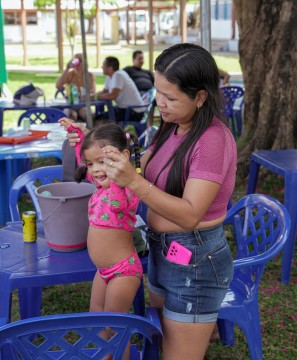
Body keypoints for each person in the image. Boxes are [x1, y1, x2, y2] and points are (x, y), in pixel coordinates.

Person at [65, 43, 237, 359]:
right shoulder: (172, 127)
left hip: (194, 258)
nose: (160, 103)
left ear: (200, 97)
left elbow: (189, 216)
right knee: (161, 343)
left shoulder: (213, 140)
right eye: (158, 92)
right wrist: (94, 151)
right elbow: (144, 168)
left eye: (171, 97)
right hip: (163, 251)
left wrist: (134, 180)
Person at [59, 120, 143, 358]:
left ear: (122, 159)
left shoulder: (126, 189)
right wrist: (77, 135)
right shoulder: (101, 187)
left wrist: (118, 171)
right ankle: (105, 357)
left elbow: (117, 204)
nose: (95, 170)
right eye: (91, 164)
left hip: (123, 271)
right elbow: (84, 159)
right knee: (96, 317)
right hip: (103, 270)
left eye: (103, 162)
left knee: (114, 324)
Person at [96, 56, 144, 123]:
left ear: (110, 68)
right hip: (125, 109)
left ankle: (110, 133)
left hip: (134, 111)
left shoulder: (118, 75)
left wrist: (96, 96)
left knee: (99, 119)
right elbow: (105, 92)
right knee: (99, 117)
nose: (102, 67)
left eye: (104, 65)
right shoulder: (109, 76)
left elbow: (113, 95)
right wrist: (93, 95)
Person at [55, 53, 96, 121]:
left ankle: (88, 131)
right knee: (70, 116)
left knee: (89, 115)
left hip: (83, 105)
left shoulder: (89, 76)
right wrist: (66, 69)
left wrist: (84, 96)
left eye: (80, 60)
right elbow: (58, 86)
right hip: (70, 104)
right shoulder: (70, 73)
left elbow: (92, 91)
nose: (77, 63)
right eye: (75, 60)